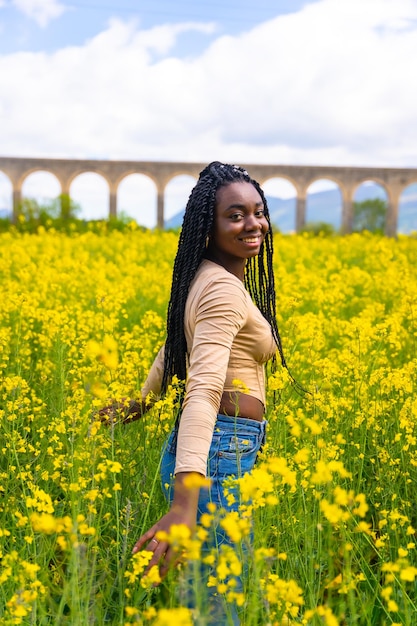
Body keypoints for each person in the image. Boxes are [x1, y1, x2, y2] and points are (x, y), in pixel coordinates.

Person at [101, 161, 290, 623]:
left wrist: (142, 403)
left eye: (258, 212)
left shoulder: (204, 276)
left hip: (221, 452)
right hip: (218, 458)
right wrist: (187, 499)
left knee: (213, 588)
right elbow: (203, 390)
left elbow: (173, 349)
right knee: (218, 597)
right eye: (236, 214)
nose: (254, 224)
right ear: (208, 227)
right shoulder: (222, 289)